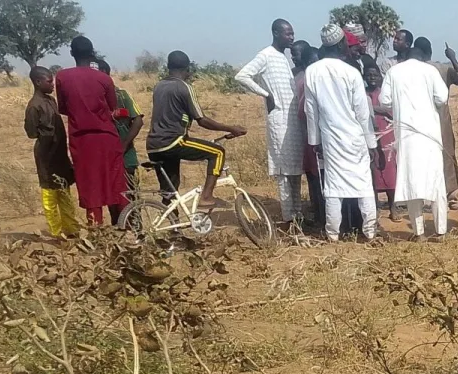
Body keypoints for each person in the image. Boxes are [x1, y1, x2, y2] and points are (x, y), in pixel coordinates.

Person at [305, 23, 382, 241]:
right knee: (364, 186)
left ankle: (332, 235)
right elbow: (362, 113)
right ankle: (369, 232)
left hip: (330, 139)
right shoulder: (351, 72)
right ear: (341, 44)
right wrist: (372, 145)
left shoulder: (312, 71)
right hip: (355, 138)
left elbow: (312, 111)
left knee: (333, 188)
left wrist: (314, 141)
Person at [146, 51, 248, 208]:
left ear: (168, 67)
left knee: (170, 190)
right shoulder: (185, 88)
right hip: (173, 142)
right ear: (188, 69)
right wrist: (230, 128)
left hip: (153, 145)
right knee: (217, 152)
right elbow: (202, 120)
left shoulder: (158, 87)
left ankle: (174, 229)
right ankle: (206, 197)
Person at [236, 19, 305, 226]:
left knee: (294, 171)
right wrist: (266, 94)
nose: (291, 38)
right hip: (279, 121)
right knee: (284, 172)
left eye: (292, 34)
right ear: (276, 33)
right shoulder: (265, 55)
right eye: (288, 34)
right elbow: (242, 76)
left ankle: (298, 214)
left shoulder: (283, 58)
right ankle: (288, 217)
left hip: (292, 121)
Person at [379, 39, 450, 239]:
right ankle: (441, 230)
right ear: (422, 57)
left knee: (412, 182)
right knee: (436, 182)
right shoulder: (430, 71)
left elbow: (385, 101)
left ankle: (419, 233)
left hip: (407, 136)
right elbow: (442, 98)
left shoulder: (394, 72)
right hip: (430, 135)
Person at [56, 37, 128, 225]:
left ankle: (96, 231)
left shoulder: (62, 77)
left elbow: (63, 108)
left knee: (90, 185)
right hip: (107, 138)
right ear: (92, 53)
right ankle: (126, 227)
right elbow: (113, 108)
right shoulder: (104, 78)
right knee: (116, 183)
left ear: (72, 53)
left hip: (81, 140)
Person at [24, 67, 80, 238]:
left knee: (65, 193)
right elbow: (31, 132)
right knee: (49, 197)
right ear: (38, 82)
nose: (52, 85)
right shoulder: (34, 106)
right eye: (49, 82)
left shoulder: (51, 101)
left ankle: (71, 229)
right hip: (46, 156)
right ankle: (56, 233)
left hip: (60, 155)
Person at [95, 58, 143, 192]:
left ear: (103, 73)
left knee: (131, 193)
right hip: (105, 154)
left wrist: (124, 145)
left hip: (126, 155)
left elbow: (138, 120)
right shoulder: (93, 98)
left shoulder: (122, 96)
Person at [432, 39, 458, 208]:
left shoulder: (409, 70)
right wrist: (453, 57)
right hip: (441, 117)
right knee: (447, 154)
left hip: (420, 119)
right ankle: (452, 195)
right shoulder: (442, 68)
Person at [293, 44, 326, 228]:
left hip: (311, 136)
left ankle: (320, 216)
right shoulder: (308, 80)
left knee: (316, 179)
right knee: (319, 179)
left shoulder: (302, 78)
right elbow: (304, 111)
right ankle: (322, 217)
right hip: (314, 137)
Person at [365, 64, 399, 221]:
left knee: (390, 169)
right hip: (369, 134)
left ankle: (393, 207)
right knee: (372, 170)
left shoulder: (386, 94)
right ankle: (375, 207)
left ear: (381, 77)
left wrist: (372, 107)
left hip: (386, 134)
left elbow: (391, 111)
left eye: (375, 75)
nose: (372, 78)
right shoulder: (362, 94)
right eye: (369, 75)